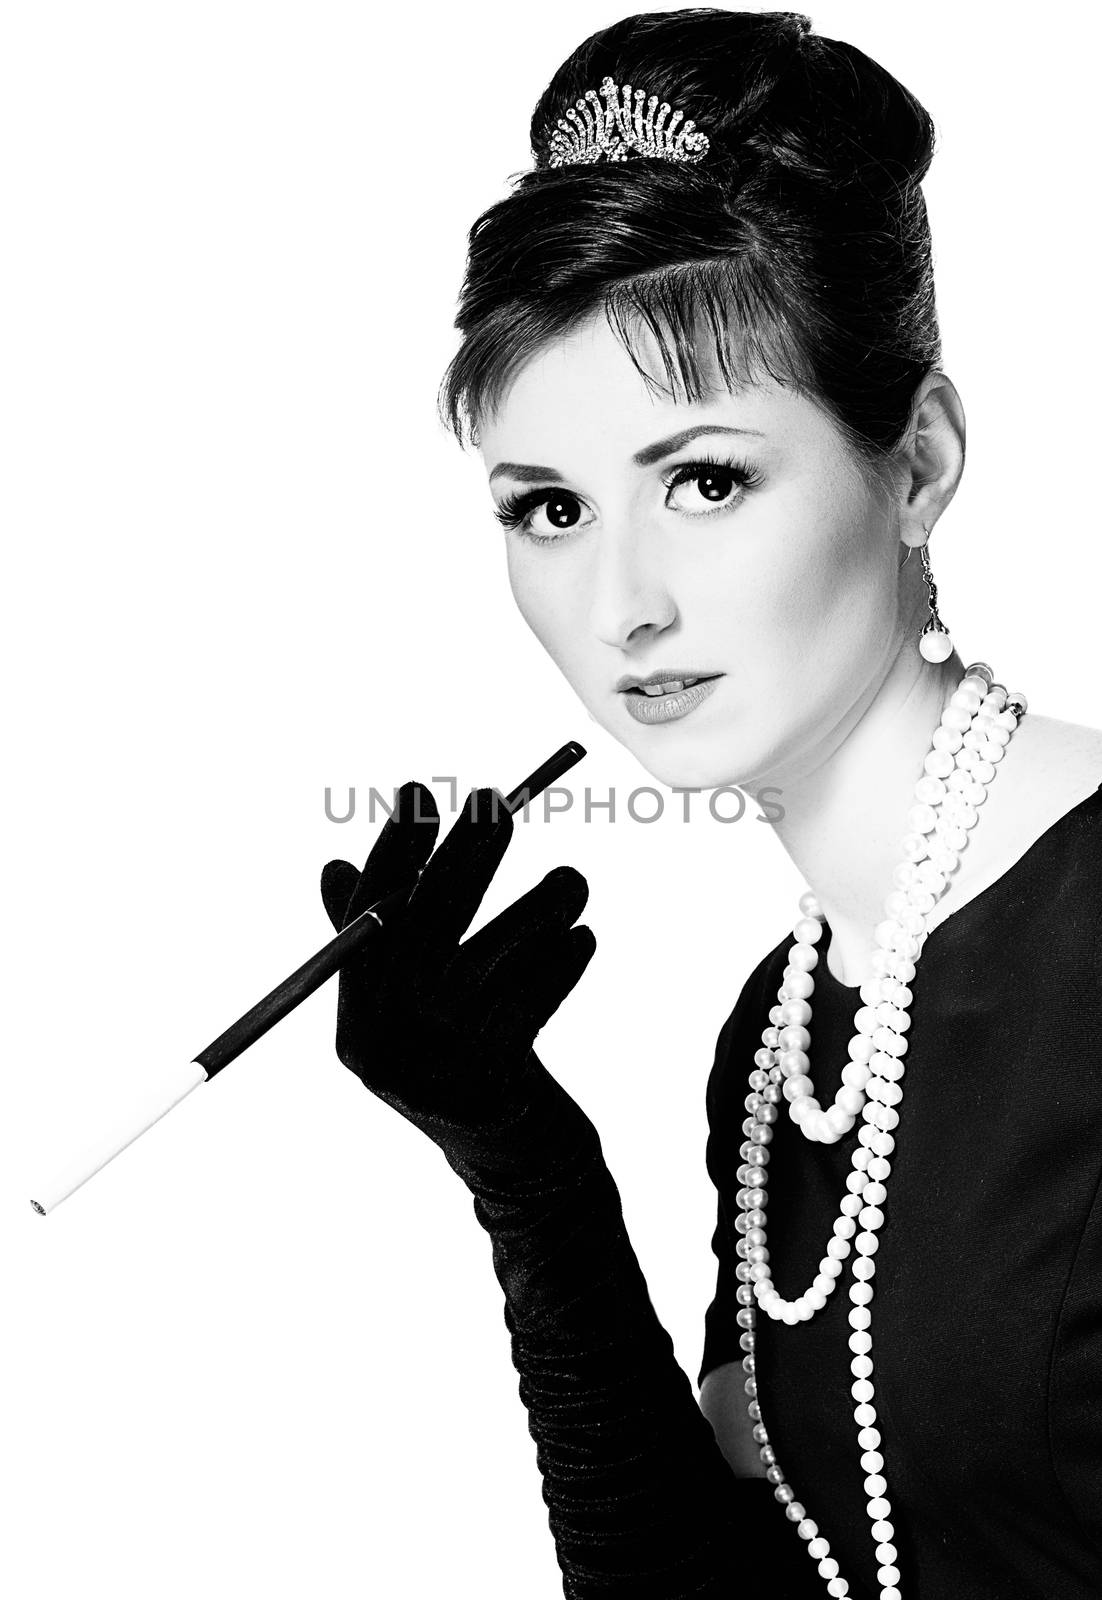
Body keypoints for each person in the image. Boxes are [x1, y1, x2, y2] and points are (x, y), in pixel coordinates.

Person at [321, 10, 1102, 1597]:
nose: (621, 607)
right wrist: (526, 1174)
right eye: (548, 508)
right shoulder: (784, 1048)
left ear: (917, 461)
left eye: (704, 481)